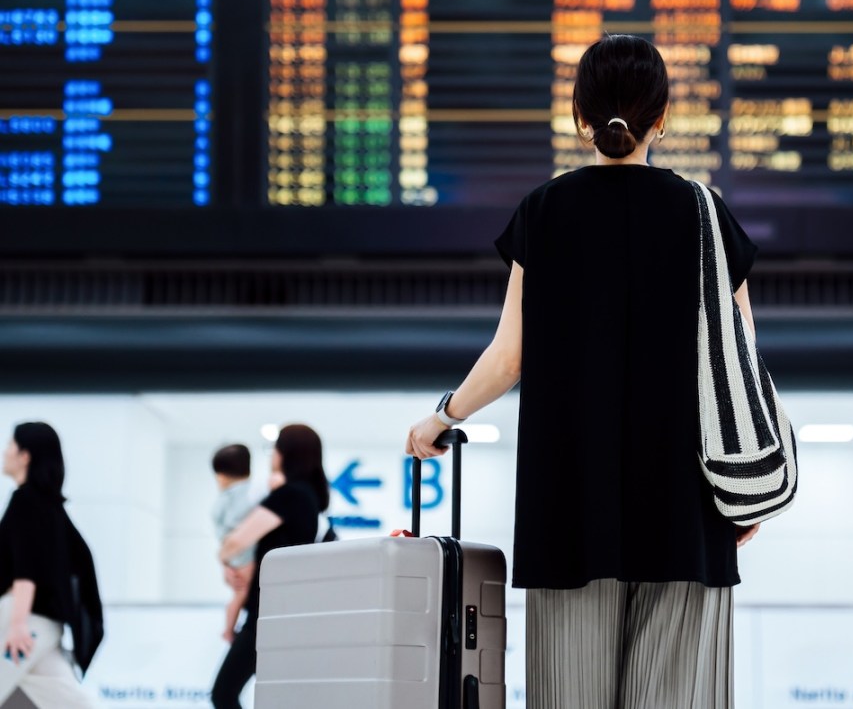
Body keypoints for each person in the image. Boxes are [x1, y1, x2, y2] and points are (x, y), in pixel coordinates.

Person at [407, 34, 762, 709]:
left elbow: (508, 357)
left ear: (579, 117)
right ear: (662, 118)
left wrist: (443, 416)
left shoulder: (545, 210)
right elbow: (740, 357)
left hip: (568, 512)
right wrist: (746, 485)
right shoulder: (705, 212)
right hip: (689, 509)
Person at [210, 424, 327, 709]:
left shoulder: (291, 496)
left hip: (268, 614)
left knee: (223, 693)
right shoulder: (308, 497)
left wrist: (225, 558)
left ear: (286, 454)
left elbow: (235, 542)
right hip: (281, 610)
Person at [0, 422, 98, 709]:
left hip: (24, 621)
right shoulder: (50, 506)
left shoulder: (26, 501)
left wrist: (18, 625)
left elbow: (27, 570)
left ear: (25, 456)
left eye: (10, 445)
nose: (4, 452)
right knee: (68, 701)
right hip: (44, 626)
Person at [210, 444, 257, 644]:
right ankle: (229, 631)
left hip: (235, 553)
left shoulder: (227, 497)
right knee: (241, 592)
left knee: (238, 593)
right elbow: (239, 528)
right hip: (243, 553)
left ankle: (228, 629)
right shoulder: (246, 494)